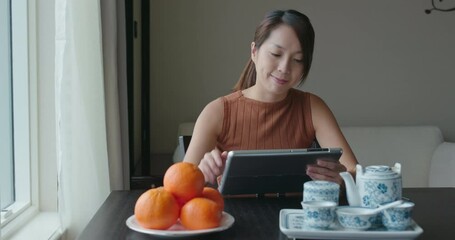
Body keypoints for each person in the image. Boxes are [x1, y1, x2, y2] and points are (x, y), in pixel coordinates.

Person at [183, 9, 358, 187]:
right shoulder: (217, 112)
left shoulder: (313, 107)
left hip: (297, 213)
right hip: (234, 214)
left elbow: (354, 172)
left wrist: (343, 179)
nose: (284, 68)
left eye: (298, 60)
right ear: (254, 51)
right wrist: (202, 175)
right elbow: (180, 184)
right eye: (276, 54)